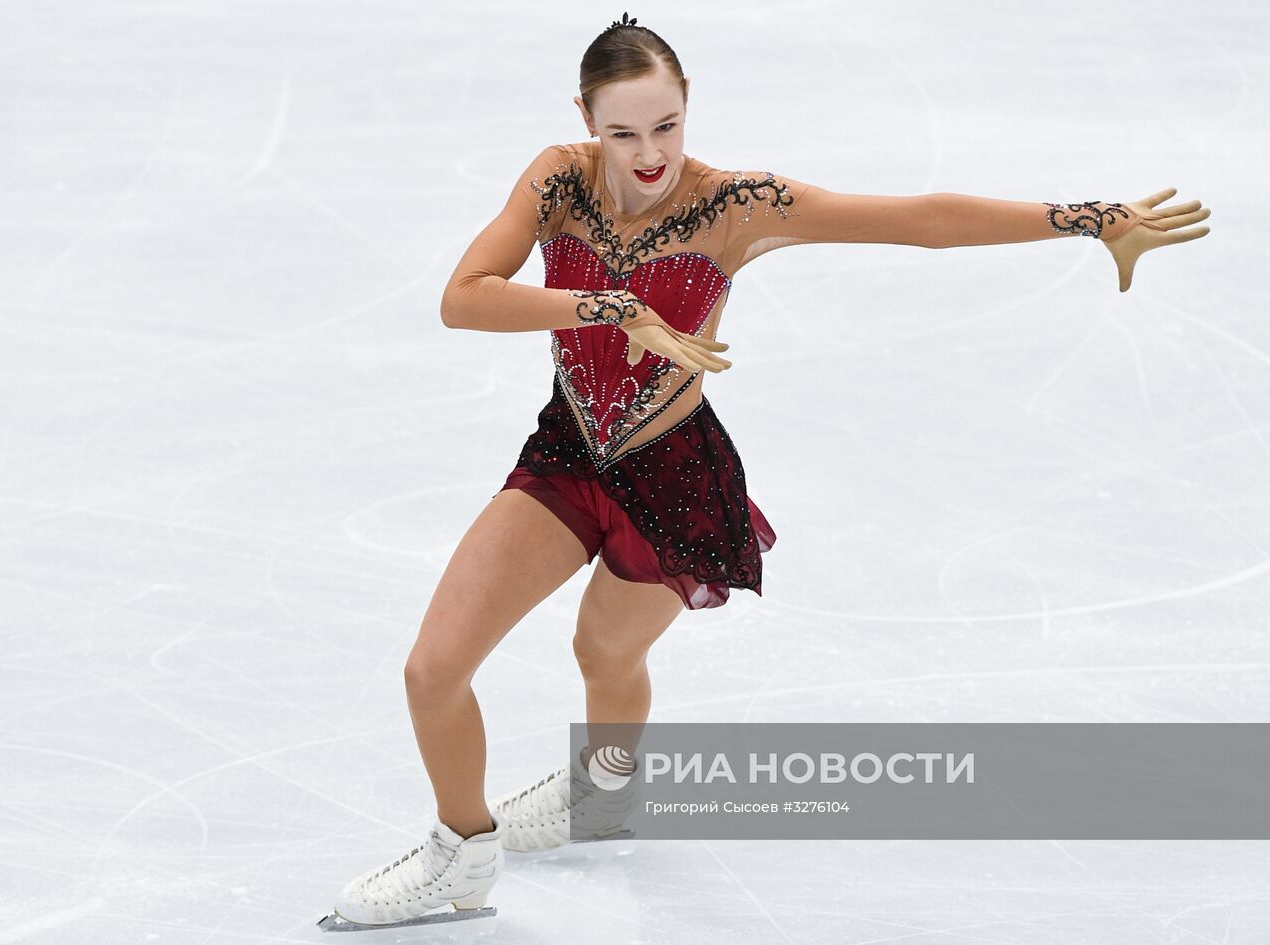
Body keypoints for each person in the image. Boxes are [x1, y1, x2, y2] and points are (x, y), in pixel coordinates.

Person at [319, 10, 1211, 932]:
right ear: (586, 118)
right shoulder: (557, 181)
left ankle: (606, 794)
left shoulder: (739, 206)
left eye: (665, 125)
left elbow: (919, 221)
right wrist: (606, 305)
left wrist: (1087, 219)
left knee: (604, 652)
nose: (650, 150)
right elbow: (463, 299)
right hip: (568, 451)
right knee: (434, 668)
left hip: (676, 475)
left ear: (688, 104)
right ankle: (462, 858)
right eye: (623, 131)